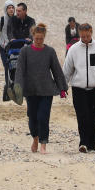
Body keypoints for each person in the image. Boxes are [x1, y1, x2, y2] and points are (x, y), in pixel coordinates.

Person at [15, 23, 68, 154]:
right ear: (33, 36)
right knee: (32, 117)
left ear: (44, 37)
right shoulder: (25, 51)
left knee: (43, 117)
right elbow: (20, 71)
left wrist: (62, 88)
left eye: (41, 39)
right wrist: (18, 89)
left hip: (46, 89)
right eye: (36, 38)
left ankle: (43, 143)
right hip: (30, 89)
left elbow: (56, 70)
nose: (39, 41)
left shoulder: (50, 51)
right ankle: (35, 138)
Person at [62, 23, 95, 153]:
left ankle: (92, 145)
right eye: (82, 36)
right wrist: (63, 85)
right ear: (79, 34)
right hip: (78, 88)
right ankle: (83, 143)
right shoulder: (73, 49)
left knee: (93, 117)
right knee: (82, 116)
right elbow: (67, 69)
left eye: (87, 36)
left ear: (91, 33)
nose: (85, 38)